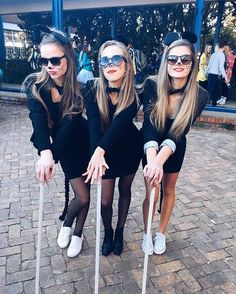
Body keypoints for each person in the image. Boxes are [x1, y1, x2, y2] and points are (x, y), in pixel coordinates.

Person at [23, 28, 90, 258]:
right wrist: (46, 153)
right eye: (44, 60)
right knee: (82, 196)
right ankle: (66, 225)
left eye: (54, 59)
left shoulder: (80, 89)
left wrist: (53, 155)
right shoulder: (35, 86)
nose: (49, 66)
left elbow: (71, 125)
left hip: (83, 142)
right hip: (64, 148)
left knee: (86, 195)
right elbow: (38, 122)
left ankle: (77, 233)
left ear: (68, 57)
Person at [141, 39, 209, 255]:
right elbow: (149, 124)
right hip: (150, 143)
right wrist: (153, 161)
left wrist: (162, 160)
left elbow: (179, 130)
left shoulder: (200, 95)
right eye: (173, 58)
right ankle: (146, 233)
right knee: (152, 189)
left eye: (185, 58)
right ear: (166, 61)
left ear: (192, 63)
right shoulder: (152, 84)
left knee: (168, 189)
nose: (178, 62)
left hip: (175, 144)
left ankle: (161, 233)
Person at [84, 40, 142, 256]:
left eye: (116, 58)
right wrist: (94, 157)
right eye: (105, 60)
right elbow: (92, 124)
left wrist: (99, 151)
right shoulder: (91, 87)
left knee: (125, 190)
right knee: (105, 200)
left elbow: (119, 124)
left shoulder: (135, 93)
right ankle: (107, 231)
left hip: (128, 149)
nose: (111, 64)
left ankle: (120, 231)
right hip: (103, 151)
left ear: (126, 63)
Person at [206, 40, 229, 106]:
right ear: (224, 47)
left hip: (211, 74)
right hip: (216, 75)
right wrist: (226, 77)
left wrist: (206, 72)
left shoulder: (213, 54)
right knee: (215, 91)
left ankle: (208, 103)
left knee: (210, 90)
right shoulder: (222, 55)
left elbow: (209, 64)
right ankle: (212, 104)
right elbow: (221, 67)